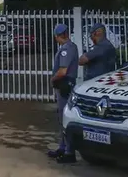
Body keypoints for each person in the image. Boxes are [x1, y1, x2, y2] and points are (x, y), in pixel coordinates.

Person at [47, 23, 79, 164]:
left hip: (65, 85)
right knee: (62, 117)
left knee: (65, 117)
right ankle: (63, 147)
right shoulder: (71, 47)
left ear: (58, 36)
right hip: (66, 85)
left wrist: (52, 79)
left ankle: (69, 152)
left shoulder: (66, 49)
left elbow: (62, 71)